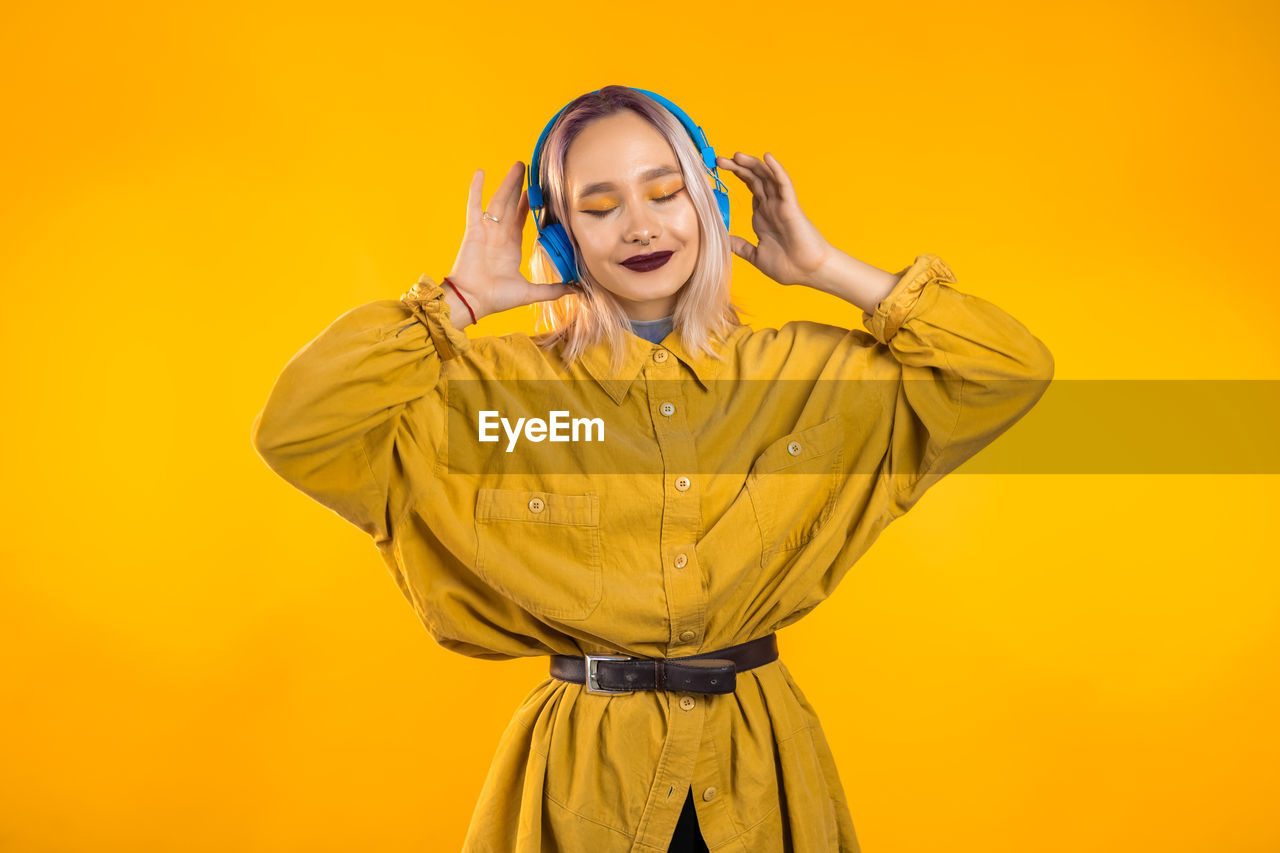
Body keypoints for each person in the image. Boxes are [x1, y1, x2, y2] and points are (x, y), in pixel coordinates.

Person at [250, 85, 1054, 852]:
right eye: (599, 207)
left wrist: (828, 269)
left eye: (664, 192)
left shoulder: (806, 378)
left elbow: (1009, 372)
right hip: (582, 787)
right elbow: (298, 428)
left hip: (762, 774)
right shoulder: (485, 399)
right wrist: (457, 301)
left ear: (705, 205)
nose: (639, 226)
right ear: (561, 235)